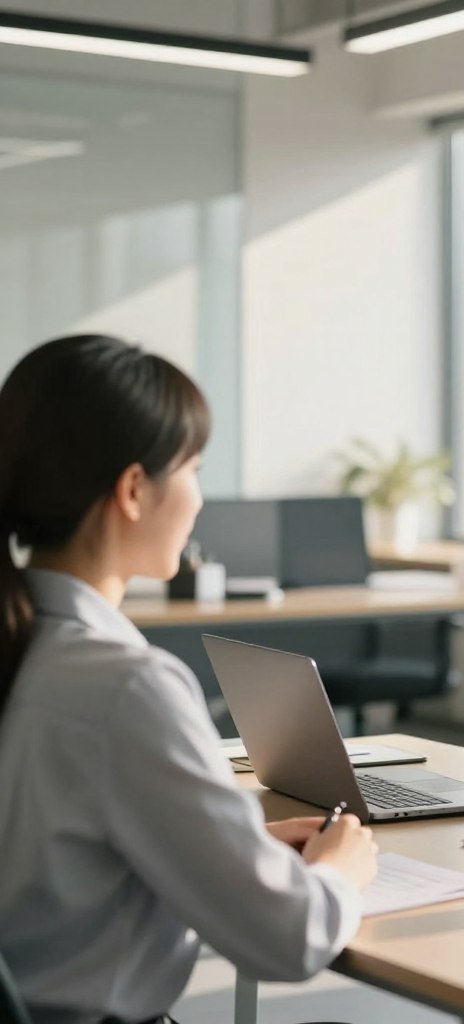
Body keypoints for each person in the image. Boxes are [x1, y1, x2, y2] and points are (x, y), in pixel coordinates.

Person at [0, 335, 378, 1024]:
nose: (201, 500)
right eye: (194, 468)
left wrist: (222, 846)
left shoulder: (27, 646)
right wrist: (341, 870)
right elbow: (290, 939)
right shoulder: (125, 686)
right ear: (134, 489)